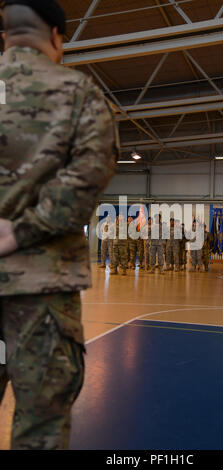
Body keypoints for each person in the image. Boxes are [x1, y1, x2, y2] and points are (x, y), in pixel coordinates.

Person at [0, 0, 118, 450]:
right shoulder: (78, 92)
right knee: (40, 428)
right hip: (42, 296)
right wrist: (21, 230)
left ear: (5, 35)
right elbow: (88, 178)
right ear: (56, 37)